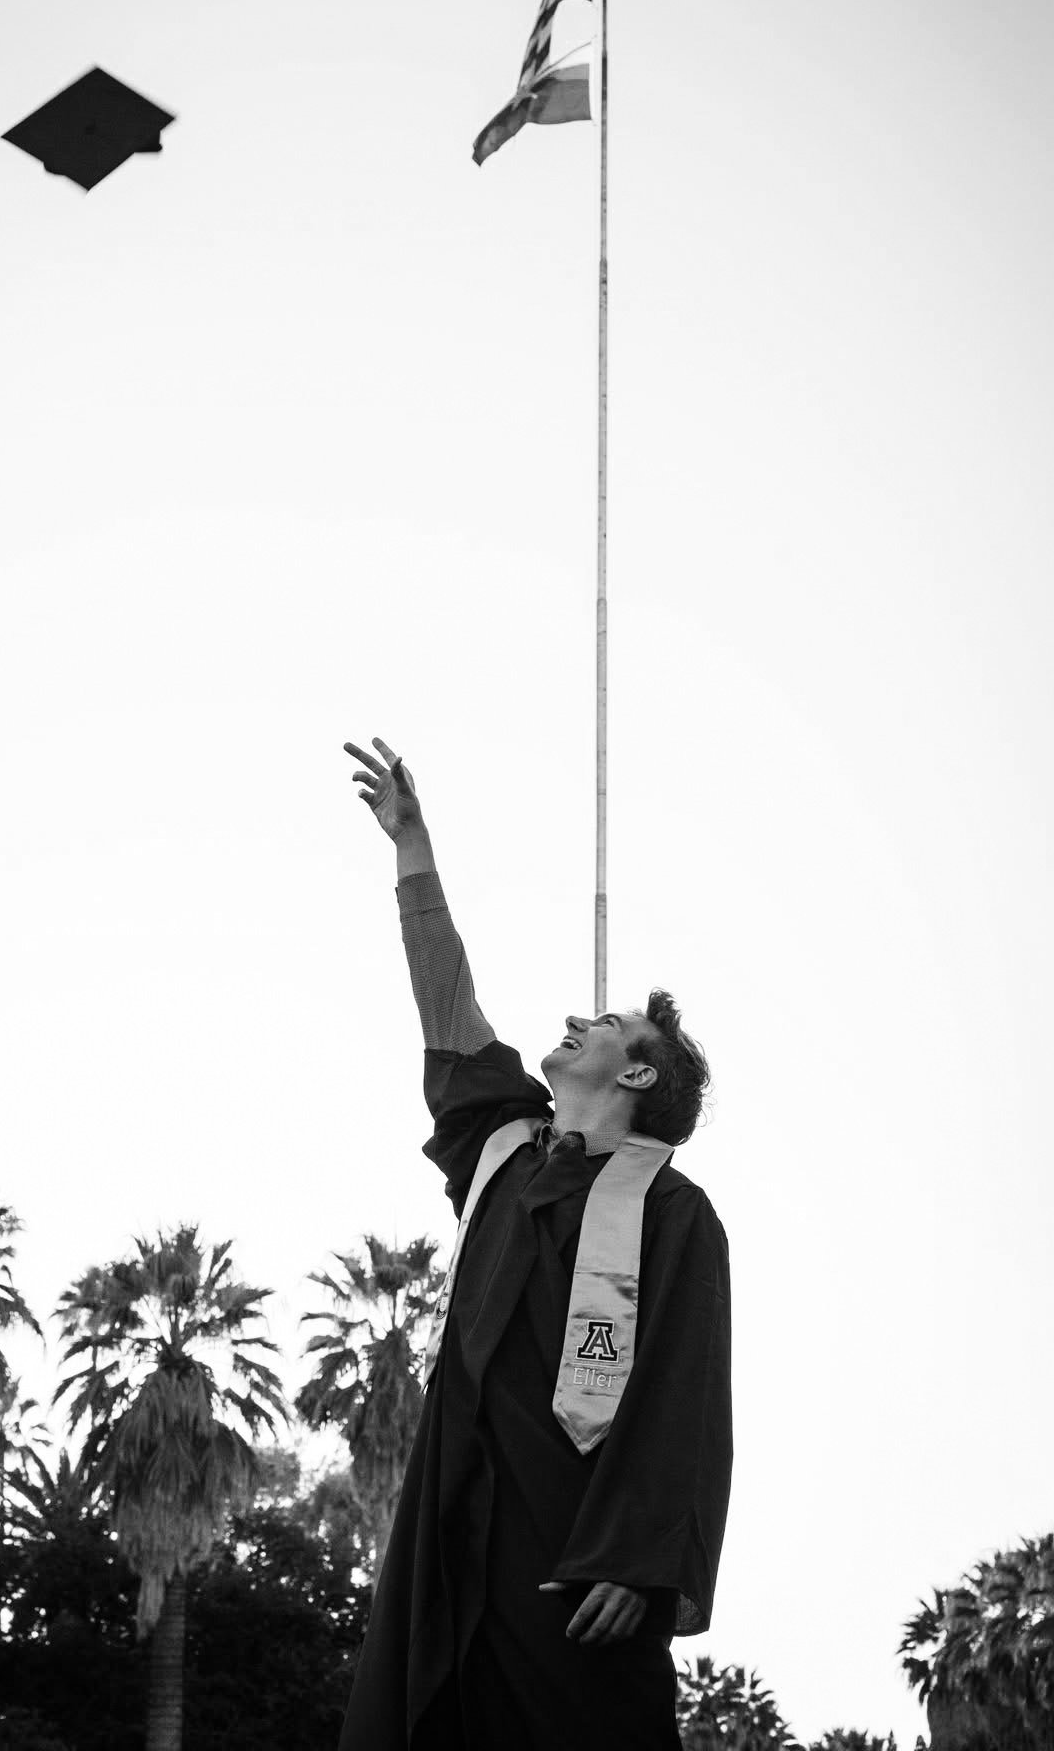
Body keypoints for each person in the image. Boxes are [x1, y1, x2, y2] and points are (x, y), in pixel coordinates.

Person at [336, 737, 733, 1751]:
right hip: (453, 1521)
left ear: (637, 1077)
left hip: (573, 1550)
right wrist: (411, 848)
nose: (571, 1017)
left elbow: (686, 1390)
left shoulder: (672, 1211)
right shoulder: (503, 1148)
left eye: (601, 1022)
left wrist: (640, 1556)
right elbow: (447, 1005)